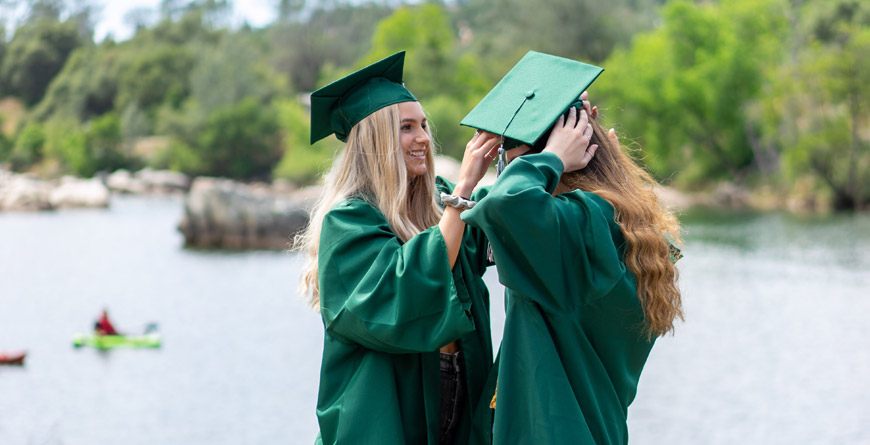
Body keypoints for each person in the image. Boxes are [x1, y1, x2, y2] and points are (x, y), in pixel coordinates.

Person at [460, 51, 683, 444]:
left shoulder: (580, 223)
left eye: (514, 165)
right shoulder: (626, 229)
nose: (509, 176)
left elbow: (505, 204)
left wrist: (549, 159)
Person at [296, 51, 501, 444]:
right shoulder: (349, 223)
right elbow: (404, 293)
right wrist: (464, 189)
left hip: (459, 384)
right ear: (376, 140)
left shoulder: (437, 206)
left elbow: (496, 228)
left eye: (423, 125)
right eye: (406, 127)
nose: (423, 137)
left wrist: (543, 154)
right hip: (384, 417)